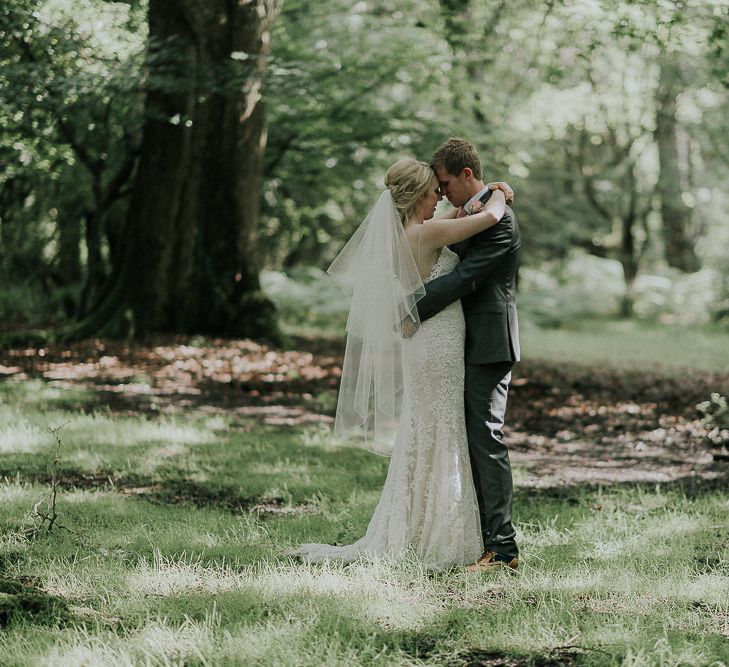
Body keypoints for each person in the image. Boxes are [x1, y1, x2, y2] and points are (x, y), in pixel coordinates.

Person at [289, 158, 511, 569]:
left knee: (426, 428)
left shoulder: (408, 233)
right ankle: (438, 535)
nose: (440, 198)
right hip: (439, 344)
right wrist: (498, 191)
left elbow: (458, 215)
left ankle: (418, 525)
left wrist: (473, 200)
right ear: (417, 196)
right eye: (434, 193)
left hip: (426, 343)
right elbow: (492, 216)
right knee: (442, 429)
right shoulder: (427, 232)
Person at [416, 137, 521, 571]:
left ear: (465, 174)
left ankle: (503, 548)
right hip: (464, 340)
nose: (441, 194)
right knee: (471, 439)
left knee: (486, 439)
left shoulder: (500, 221)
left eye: (444, 184)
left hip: (490, 343)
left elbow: (467, 278)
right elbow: (445, 252)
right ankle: (480, 536)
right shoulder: (473, 213)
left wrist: (410, 310)